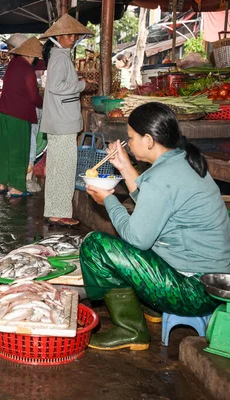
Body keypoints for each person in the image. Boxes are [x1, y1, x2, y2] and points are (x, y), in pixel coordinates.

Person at [80, 102, 230, 351]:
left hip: (195, 291)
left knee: (95, 246)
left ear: (148, 140)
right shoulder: (181, 161)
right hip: (212, 282)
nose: (128, 142)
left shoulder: (162, 178)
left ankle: (131, 330)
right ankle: (153, 307)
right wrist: (125, 166)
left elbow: (136, 237)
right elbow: (154, 208)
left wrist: (109, 200)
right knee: (149, 240)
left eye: (131, 138)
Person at [39, 14, 96, 226]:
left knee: (56, 168)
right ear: (58, 37)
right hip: (63, 122)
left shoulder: (58, 55)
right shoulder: (60, 57)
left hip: (59, 121)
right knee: (64, 168)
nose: (72, 38)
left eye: (74, 35)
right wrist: (81, 85)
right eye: (68, 35)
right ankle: (59, 213)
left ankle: (54, 211)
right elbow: (56, 87)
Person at [0, 37, 44, 198]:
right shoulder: (26, 68)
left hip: (3, 112)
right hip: (19, 115)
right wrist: (44, 102)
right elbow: (33, 96)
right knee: (18, 151)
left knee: (4, 149)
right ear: (32, 55)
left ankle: (2, 184)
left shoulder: (13, 64)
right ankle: (16, 188)